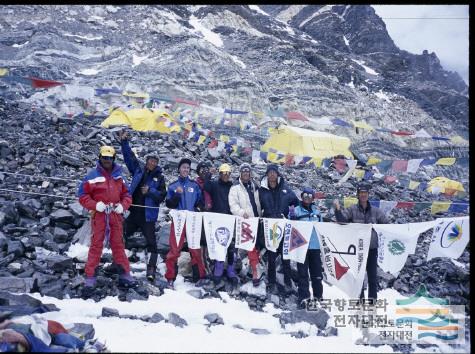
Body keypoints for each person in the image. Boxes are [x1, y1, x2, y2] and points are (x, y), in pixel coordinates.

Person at [77, 145, 137, 295]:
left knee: (118, 244)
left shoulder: (119, 176)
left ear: (113, 158)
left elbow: (127, 195)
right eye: (104, 157)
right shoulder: (92, 176)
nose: (107, 160)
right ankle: (90, 276)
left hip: (116, 215)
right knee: (96, 244)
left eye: (109, 158)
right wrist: (95, 205)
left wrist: (122, 207)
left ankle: (124, 273)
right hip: (100, 215)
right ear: (100, 157)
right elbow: (82, 196)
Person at [119, 130, 167, 282]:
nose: (152, 163)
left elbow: (162, 196)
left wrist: (150, 191)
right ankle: (119, 263)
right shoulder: (138, 170)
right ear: (146, 160)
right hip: (133, 213)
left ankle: (151, 269)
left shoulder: (160, 178)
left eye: (155, 161)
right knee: (120, 234)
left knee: (152, 243)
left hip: (148, 217)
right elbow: (129, 158)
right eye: (151, 160)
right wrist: (124, 143)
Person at [333, 182, 389, 304]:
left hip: (372, 249)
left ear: (368, 195)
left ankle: (373, 303)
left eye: (365, 193)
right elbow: (342, 221)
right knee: (358, 278)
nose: (363, 195)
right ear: (358, 195)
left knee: (372, 278)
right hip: (358, 250)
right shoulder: (352, 210)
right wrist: (337, 209)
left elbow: (387, 225)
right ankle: (361, 301)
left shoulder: (376, 211)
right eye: (361, 193)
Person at [164, 158, 207, 288]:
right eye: (183, 167)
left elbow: (200, 202)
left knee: (195, 249)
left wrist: (199, 208)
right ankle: (170, 278)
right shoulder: (173, 185)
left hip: (192, 221)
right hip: (178, 221)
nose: (186, 170)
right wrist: (177, 195)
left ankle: (199, 276)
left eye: (188, 168)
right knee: (174, 250)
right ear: (179, 169)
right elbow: (169, 204)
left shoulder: (194, 186)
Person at [259, 164, 299, 295]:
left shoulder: (286, 190)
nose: (272, 175)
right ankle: (272, 283)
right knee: (271, 257)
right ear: (267, 175)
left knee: (285, 256)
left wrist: (291, 213)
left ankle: (288, 283)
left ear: (277, 174)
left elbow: (295, 202)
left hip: (284, 228)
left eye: (274, 172)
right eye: (269, 172)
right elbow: (257, 205)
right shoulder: (262, 190)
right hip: (270, 228)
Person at [204, 163, 238, 290]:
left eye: (228, 173)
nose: (226, 175)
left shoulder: (232, 187)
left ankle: (230, 269)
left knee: (230, 245)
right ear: (220, 174)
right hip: (217, 219)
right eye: (224, 173)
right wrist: (209, 174)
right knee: (219, 244)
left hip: (229, 220)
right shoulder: (214, 184)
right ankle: (218, 268)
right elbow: (206, 186)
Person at [288, 187, 323, 308]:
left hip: (314, 246)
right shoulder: (296, 211)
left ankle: (318, 296)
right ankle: (304, 297)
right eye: (305, 195)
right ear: (301, 197)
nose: (307, 198)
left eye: (310, 196)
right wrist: (291, 217)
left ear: (313, 198)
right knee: (302, 273)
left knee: (317, 273)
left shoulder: (317, 212)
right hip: (301, 246)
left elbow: (322, 228)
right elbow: (289, 226)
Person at [228, 162, 263, 287]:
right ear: (240, 173)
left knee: (257, 244)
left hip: (256, 220)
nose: (246, 174)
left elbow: (259, 202)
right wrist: (242, 213)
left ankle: (256, 265)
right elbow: (233, 205)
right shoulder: (235, 188)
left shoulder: (255, 186)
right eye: (243, 171)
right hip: (244, 221)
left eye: (248, 171)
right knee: (249, 246)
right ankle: (255, 270)